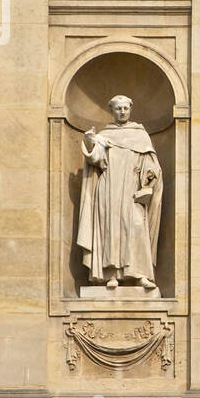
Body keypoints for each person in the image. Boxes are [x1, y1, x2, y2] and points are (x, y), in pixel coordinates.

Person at [76, 95, 163, 291]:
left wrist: (149, 178)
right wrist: (90, 142)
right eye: (118, 109)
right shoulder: (105, 135)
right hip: (109, 188)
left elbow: (151, 163)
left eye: (125, 108)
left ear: (130, 109)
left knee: (136, 225)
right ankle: (111, 274)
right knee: (110, 228)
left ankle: (140, 274)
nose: (122, 112)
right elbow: (95, 160)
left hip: (132, 190)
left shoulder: (141, 135)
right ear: (112, 111)